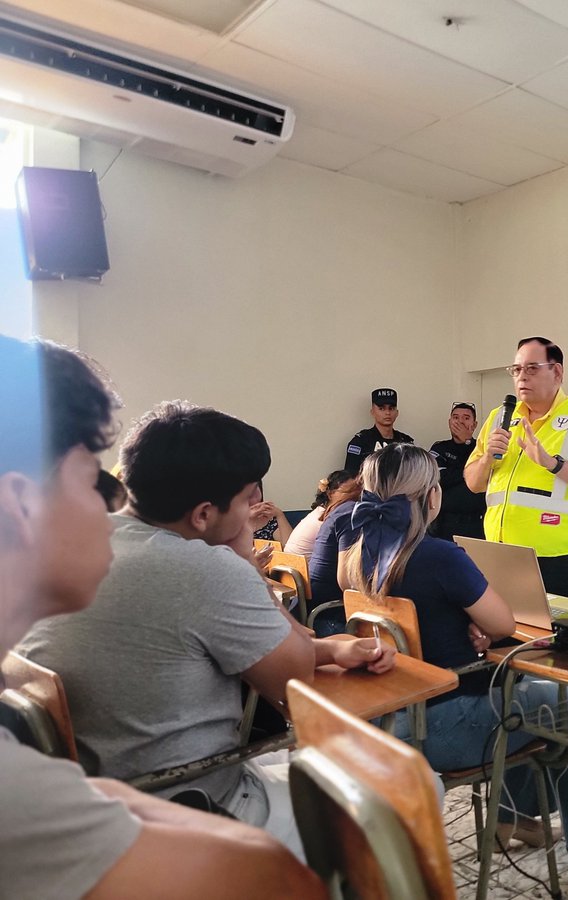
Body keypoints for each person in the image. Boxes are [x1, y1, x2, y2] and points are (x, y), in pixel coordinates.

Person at [0, 336, 323, 899]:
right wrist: (244, 564)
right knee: (393, 800)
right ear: (20, 507)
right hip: (197, 792)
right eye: (93, 481)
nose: (110, 508)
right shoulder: (204, 568)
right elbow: (298, 684)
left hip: (110, 783)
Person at [19, 400, 395, 857]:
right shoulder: (204, 567)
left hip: (94, 798)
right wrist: (240, 553)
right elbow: (293, 683)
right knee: (410, 793)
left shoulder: (73, 541)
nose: (253, 510)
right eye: (246, 501)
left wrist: (330, 650)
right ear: (203, 514)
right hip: (191, 808)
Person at [339, 442, 568, 897]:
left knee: (517, 690)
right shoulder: (441, 557)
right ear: (432, 497)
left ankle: (515, 820)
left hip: (390, 722)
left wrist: (461, 620)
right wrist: (477, 621)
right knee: (562, 703)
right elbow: (504, 623)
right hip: (443, 728)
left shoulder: (354, 556)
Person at [464, 337, 568, 601]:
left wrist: (552, 463)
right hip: (502, 556)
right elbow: (473, 483)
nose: (522, 377)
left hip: (560, 560)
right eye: (516, 369)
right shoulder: (499, 417)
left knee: (561, 641)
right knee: (508, 639)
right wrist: (488, 457)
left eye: (532, 368)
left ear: (556, 372)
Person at [428, 401, 486, 540]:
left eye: (466, 418)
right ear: (449, 422)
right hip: (446, 523)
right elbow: (438, 477)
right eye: (455, 417)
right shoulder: (439, 448)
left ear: (475, 424)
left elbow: (485, 475)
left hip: (477, 523)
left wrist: (467, 443)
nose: (460, 422)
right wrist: (469, 472)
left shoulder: (482, 450)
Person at [284, 469, 361, 559]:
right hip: (302, 570)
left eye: (359, 491)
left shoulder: (319, 511)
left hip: (289, 568)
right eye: (349, 492)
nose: (356, 496)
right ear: (330, 494)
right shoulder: (327, 518)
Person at [344, 387, 413, 475]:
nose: (387, 413)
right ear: (372, 412)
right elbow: (350, 476)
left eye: (391, 408)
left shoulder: (405, 442)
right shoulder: (361, 441)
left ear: (397, 412)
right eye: (381, 408)